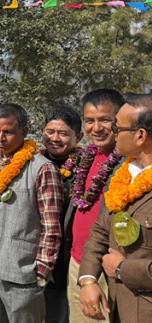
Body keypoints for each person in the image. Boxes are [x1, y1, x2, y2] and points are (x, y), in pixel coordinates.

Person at [0, 104, 64, 323]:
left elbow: (52, 226)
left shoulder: (42, 168)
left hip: (21, 265)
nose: (1, 138)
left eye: (8, 132)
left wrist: (41, 271)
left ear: (24, 132)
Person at [78, 93, 152, 323]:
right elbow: (101, 231)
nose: (113, 134)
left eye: (118, 129)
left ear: (140, 136)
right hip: (119, 307)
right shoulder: (126, 175)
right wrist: (88, 280)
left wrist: (122, 270)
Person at [66, 89, 124, 322]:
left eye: (105, 120)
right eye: (89, 121)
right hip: (78, 263)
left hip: (108, 267)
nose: (96, 128)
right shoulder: (85, 157)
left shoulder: (129, 162)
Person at [39, 106, 84, 323]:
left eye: (63, 133)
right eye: (50, 132)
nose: (55, 138)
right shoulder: (31, 163)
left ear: (79, 137)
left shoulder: (88, 167)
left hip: (70, 256)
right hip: (36, 256)